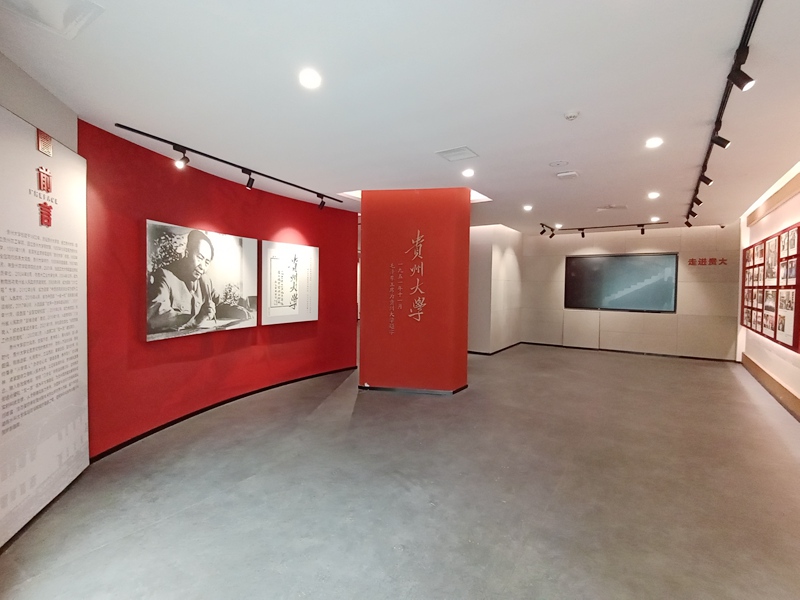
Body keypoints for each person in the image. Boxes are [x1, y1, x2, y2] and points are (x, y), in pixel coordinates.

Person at [147, 229, 248, 333]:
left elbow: (218, 305)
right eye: (199, 257)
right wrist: (196, 320)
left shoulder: (205, 281)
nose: (202, 266)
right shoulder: (165, 275)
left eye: (207, 262)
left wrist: (237, 311)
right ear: (187, 253)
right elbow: (155, 315)